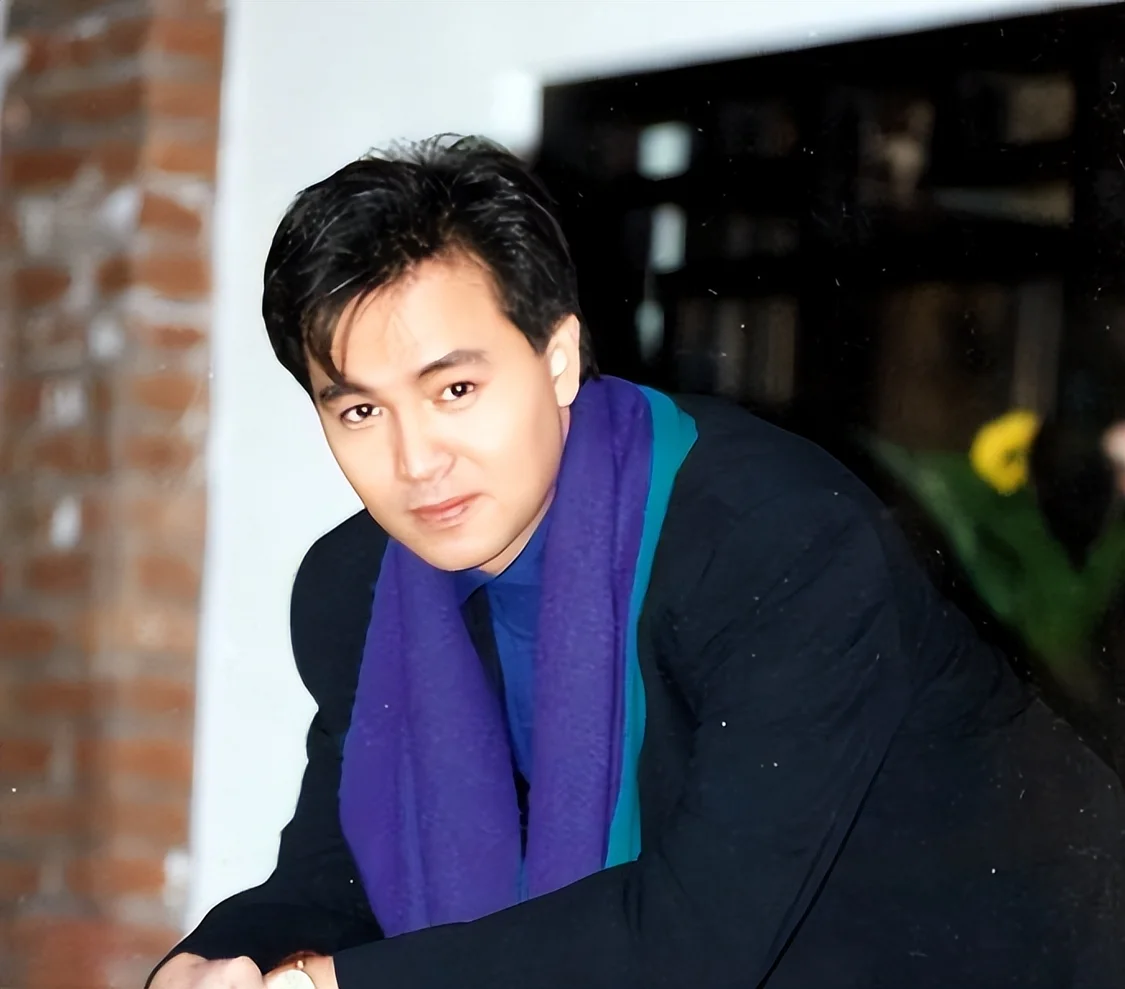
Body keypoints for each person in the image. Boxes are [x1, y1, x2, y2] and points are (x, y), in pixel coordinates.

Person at [149, 136, 1125, 989]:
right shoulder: (353, 589)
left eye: (454, 389)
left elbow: (695, 936)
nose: (415, 461)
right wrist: (206, 959)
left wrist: (329, 984)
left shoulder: (773, 538)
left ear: (558, 358)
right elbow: (337, 871)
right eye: (360, 409)